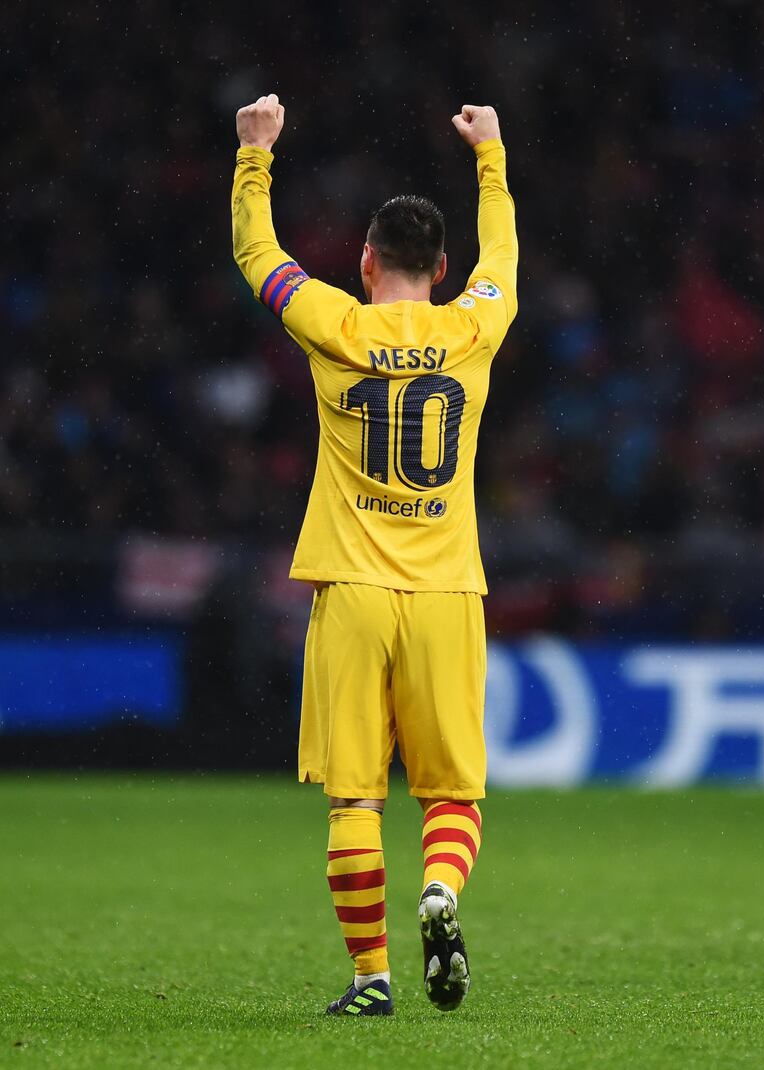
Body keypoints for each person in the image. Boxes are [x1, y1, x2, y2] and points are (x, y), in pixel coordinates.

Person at [232, 93, 517, 1017]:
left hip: (352, 590)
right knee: (452, 793)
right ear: (441, 268)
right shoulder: (473, 325)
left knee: (355, 803)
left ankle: (372, 979)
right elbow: (503, 259)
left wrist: (256, 155)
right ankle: (441, 888)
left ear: (363, 263)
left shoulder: (334, 323)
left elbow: (258, 258)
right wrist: (491, 157)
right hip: (445, 590)